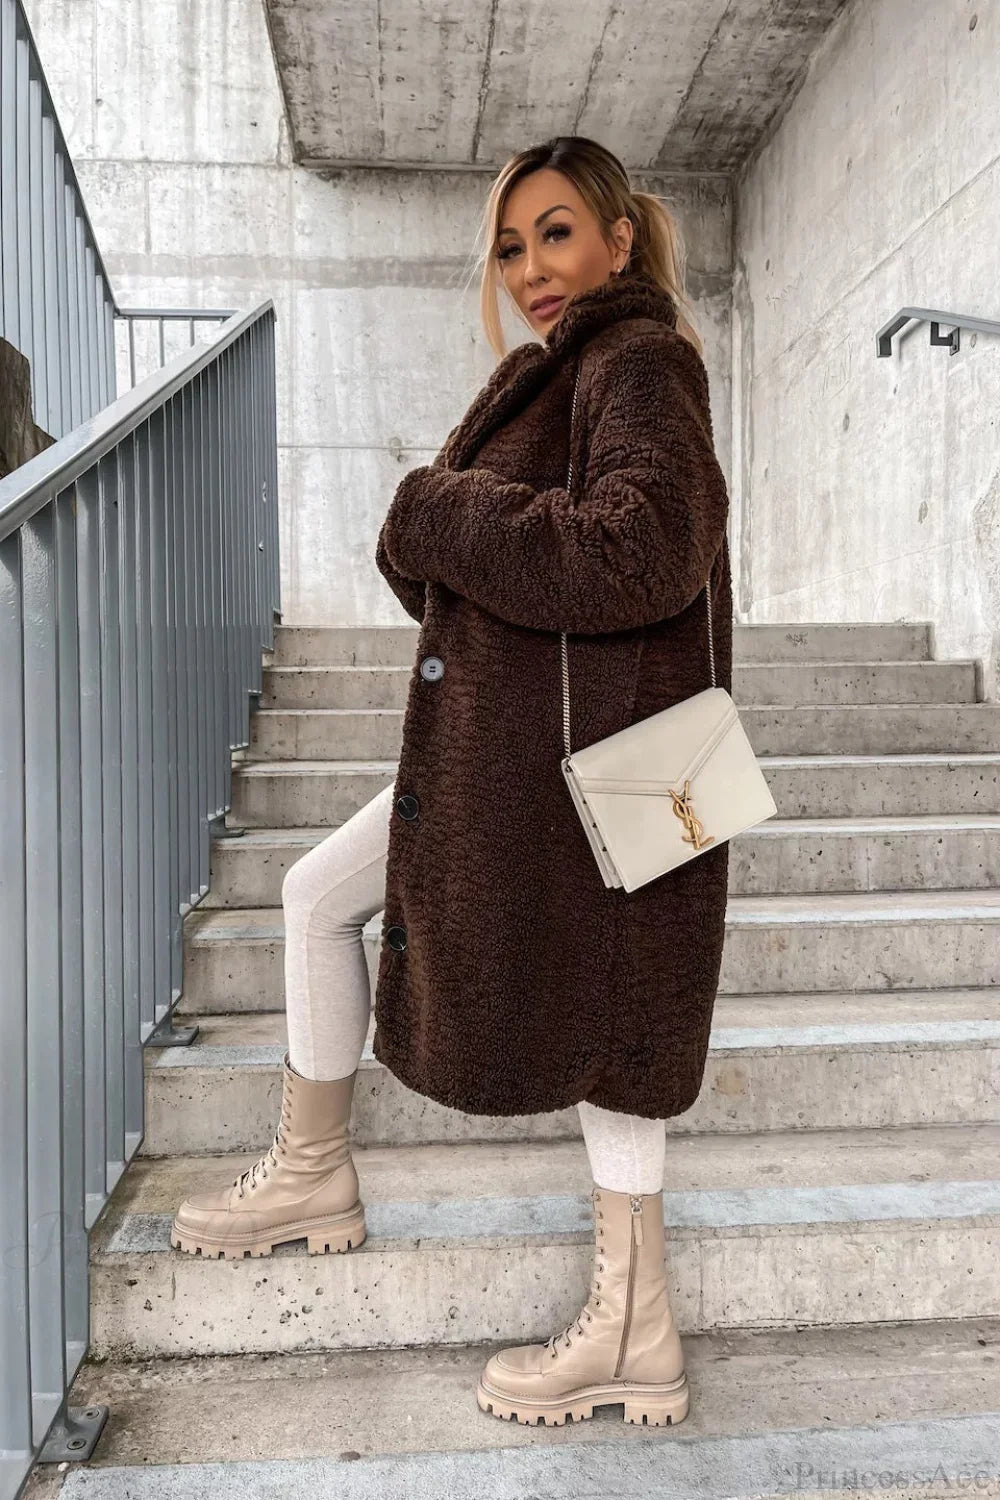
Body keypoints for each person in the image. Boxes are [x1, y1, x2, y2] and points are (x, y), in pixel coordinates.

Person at [171, 134, 732, 1430]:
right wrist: (434, 526)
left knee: (626, 1033)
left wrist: (440, 509)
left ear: (618, 239)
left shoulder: (638, 359)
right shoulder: (554, 376)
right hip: (561, 752)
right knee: (320, 895)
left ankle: (635, 1333)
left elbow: (644, 550)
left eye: (555, 233)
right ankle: (314, 1168)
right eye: (510, 246)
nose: (530, 267)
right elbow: (478, 578)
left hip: (620, 758)